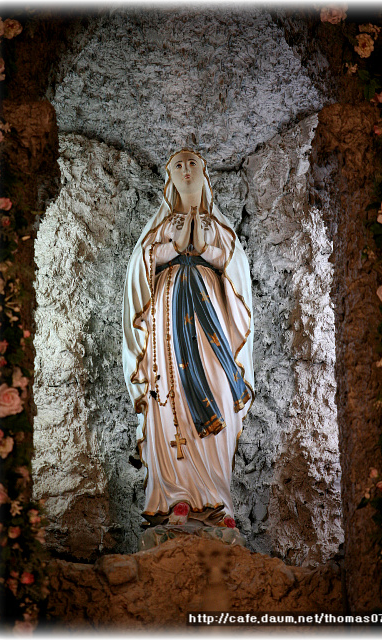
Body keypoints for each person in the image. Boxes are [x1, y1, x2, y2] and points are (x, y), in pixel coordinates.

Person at [122, 148, 254, 528]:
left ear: (204, 173)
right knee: (170, 396)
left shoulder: (218, 226)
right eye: (178, 165)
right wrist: (172, 245)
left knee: (218, 389)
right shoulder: (160, 225)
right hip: (167, 323)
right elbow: (140, 269)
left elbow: (236, 270)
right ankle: (174, 497)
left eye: (192, 163)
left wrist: (207, 245)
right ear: (169, 177)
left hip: (211, 320)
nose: (185, 170)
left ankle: (217, 497)